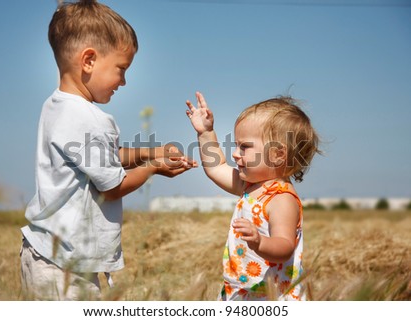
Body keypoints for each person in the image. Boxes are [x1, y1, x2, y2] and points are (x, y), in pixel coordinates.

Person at [20, 0, 196, 300]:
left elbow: (101, 159)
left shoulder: (57, 106)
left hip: (44, 255)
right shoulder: (89, 118)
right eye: (121, 69)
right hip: (65, 266)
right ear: (88, 60)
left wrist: (149, 153)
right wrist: (154, 168)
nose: (124, 81)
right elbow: (112, 186)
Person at [186, 91, 320, 300]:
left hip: (272, 295)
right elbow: (217, 167)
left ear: (277, 154)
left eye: (245, 147)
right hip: (242, 289)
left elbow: (284, 245)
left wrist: (260, 242)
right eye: (237, 145)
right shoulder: (249, 187)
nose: (235, 153)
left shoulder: (281, 199)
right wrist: (205, 132)